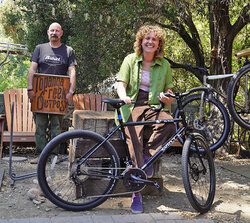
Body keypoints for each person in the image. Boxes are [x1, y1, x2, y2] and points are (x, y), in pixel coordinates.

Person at [116, 25, 175, 214]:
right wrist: (123, 96)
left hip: (154, 106)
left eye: (154, 39)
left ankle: (147, 160)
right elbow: (121, 83)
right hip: (132, 104)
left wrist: (168, 97)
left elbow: (170, 91)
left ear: (159, 44)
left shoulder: (164, 64)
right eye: (146, 38)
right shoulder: (130, 60)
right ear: (141, 41)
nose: (150, 42)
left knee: (169, 123)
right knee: (134, 139)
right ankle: (136, 194)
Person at [27, 22, 77, 164]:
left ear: (61, 33)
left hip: (59, 96)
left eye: (57, 31)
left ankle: (54, 155)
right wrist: (30, 89)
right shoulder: (39, 49)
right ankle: (40, 155)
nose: (54, 33)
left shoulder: (68, 50)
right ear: (48, 32)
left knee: (56, 126)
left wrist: (71, 92)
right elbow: (32, 70)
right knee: (40, 126)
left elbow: (72, 71)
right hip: (41, 95)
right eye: (52, 30)